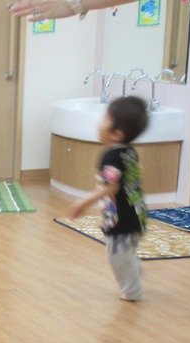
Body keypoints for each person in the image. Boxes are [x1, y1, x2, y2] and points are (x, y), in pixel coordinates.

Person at [68, 96, 149, 302]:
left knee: (116, 255)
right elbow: (138, 171)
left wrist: (83, 203)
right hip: (137, 213)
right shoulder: (130, 151)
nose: (99, 123)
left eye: (105, 120)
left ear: (116, 134)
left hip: (123, 218)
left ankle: (132, 290)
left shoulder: (111, 156)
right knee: (126, 249)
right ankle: (134, 268)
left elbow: (111, 186)